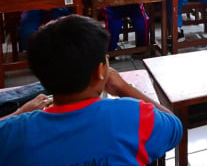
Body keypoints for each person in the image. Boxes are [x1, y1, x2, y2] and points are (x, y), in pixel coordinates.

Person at [0, 15, 182, 165]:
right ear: (100, 70)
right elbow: (175, 127)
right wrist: (123, 87)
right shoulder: (134, 114)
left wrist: (20, 112)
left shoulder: (15, 132)